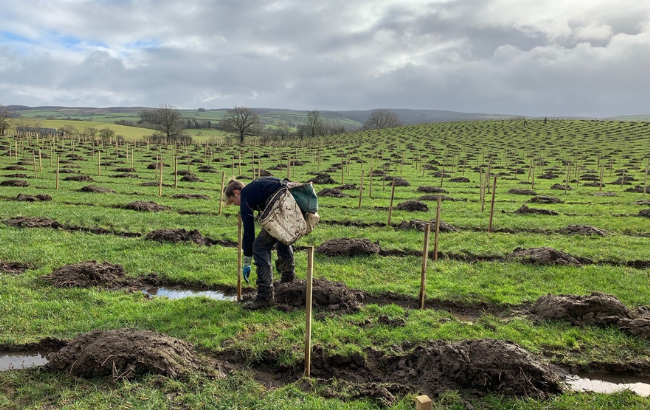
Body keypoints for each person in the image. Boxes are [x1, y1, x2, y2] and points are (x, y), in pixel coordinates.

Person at [223, 177, 296, 309]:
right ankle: (288, 281)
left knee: (259, 246)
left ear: (236, 192)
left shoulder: (245, 196)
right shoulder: (255, 188)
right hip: (289, 201)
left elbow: (249, 231)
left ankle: (265, 296)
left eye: (233, 201)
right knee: (281, 237)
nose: (235, 205)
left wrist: (247, 260)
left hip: (281, 204)